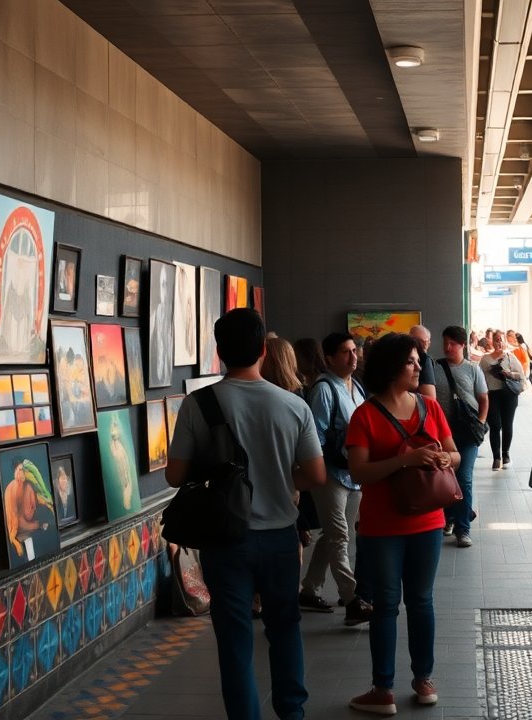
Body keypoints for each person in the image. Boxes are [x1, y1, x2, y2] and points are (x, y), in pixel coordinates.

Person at [166, 308, 327, 720]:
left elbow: (175, 475)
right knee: (285, 629)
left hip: (224, 540)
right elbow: (315, 474)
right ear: (263, 350)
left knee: (234, 640)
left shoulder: (198, 405)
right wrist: (278, 474)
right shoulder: (293, 405)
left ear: (219, 352)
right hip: (279, 537)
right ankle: (292, 713)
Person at [344, 332, 459, 715]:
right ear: (393, 367)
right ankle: (384, 688)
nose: (418, 366)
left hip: (427, 520)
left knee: (420, 601)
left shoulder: (430, 407)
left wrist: (445, 460)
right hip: (381, 526)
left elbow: (455, 454)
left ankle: (422, 679)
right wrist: (403, 462)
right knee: (387, 605)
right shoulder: (365, 414)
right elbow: (358, 470)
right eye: (411, 361)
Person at [301, 331, 374, 626]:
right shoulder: (324, 389)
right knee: (340, 536)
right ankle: (352, 597)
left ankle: (309, 589)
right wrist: (315, 472)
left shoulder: (356, 386)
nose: (353, 356)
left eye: (354, 350)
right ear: (329, 358)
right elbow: (314, 436)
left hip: (353, 473)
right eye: (345, 352)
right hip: (330, 473)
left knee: (335, 535)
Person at [434, 326, 488, 547]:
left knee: (464, 477)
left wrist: (481, 423)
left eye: (453, 343)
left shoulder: (473, 369)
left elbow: (483, 398)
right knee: (445, 477)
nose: (448, 347)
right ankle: (450, 518)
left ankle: (463, 529)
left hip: (466, 433)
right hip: (443, 432)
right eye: (445, 342)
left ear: (463, 345)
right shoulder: (436, 368)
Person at [480, 336, 522, 470]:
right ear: (492, 342)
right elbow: (480, 377)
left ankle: (506, 454)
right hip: (492, 394)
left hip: (509, 394)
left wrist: (508, 374)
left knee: (507, 424)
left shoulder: (510, 357)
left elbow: (520, 375)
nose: (499, 343)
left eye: (501, 340)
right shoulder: (485, 359)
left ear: (504, 342)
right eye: (496, 340)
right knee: (495, 425)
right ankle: (496, 457)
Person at [407, 324, 438, 399]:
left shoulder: (425, 360)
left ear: (429, 342)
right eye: (417, 341)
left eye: (424, 341)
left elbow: (430, 398)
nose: (421, 344)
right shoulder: (425, 359)